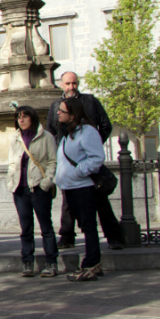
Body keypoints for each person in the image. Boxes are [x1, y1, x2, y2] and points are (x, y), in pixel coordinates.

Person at [45, 72, 121, 249]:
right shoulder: (56, 105)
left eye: (74, 83)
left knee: (100, 200)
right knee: (68, 203)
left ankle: (114, 236)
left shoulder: (90, 101)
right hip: (68, 163)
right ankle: (67, 236)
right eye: (68, 84)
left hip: (86, 163)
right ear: (61, 84)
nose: (71, 87)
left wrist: (91, 145)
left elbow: (105, 125)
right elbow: (51, 131)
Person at [54, 97, 107, 282]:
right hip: (70, 186)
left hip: (83, 187)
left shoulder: (87, 132)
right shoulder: (69, 133)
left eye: (62, 111)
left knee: (88, 226)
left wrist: (78, 172)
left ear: (73, 114)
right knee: (85, 226)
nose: (58, 113)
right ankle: (94, 263)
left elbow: (97, 158)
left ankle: (90, 264)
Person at [5, 106, 59, 278]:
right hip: (20, 189)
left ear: (32, 118)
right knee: (25, 227)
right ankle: (27, 261)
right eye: (18, 117)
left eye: (25, 117)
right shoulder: (15, 138)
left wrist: (46, 182)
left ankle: (51, 262)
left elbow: (52, 161)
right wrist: (10, 181)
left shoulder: (46, 137)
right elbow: (12, 162)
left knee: (46, 227)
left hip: (38, 187)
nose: (21, 120)